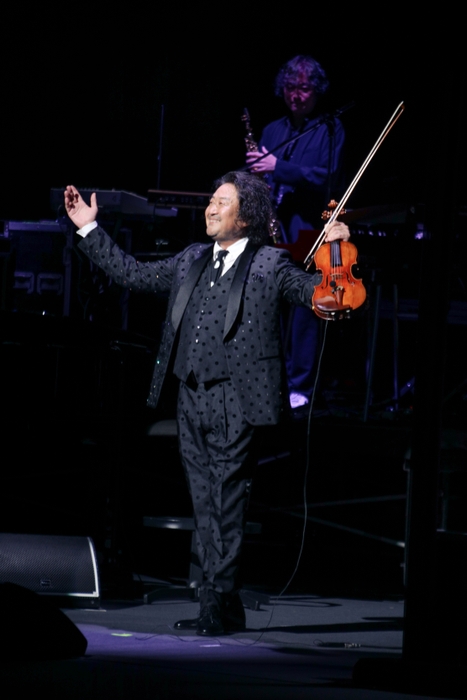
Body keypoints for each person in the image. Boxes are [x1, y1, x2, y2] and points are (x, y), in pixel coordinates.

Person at [64, 171, 349, 636]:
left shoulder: (270, 263)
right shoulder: (191, 258)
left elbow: (323, 297)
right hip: (190, 396)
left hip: (239, 398)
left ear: (246, 216)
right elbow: (132, 274)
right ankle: (222, 602)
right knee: (204, 502)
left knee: (226, 501)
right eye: (211, 200)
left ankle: (216, 602)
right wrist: (89, 228)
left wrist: (336, 251)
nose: (211, 208)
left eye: (222, 202)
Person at [246, 55, 345, 409]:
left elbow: (325, 176)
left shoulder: (329, 129)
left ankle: (300, 384)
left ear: (316, 91)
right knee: (266, 302)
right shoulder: (273, 130)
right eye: (290, 87)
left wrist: (278, 166)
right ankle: (263, 377)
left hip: (306, 226)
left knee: (303, 305)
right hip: (272, 224)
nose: (296, 94)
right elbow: (263, 175)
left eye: (303, 87)